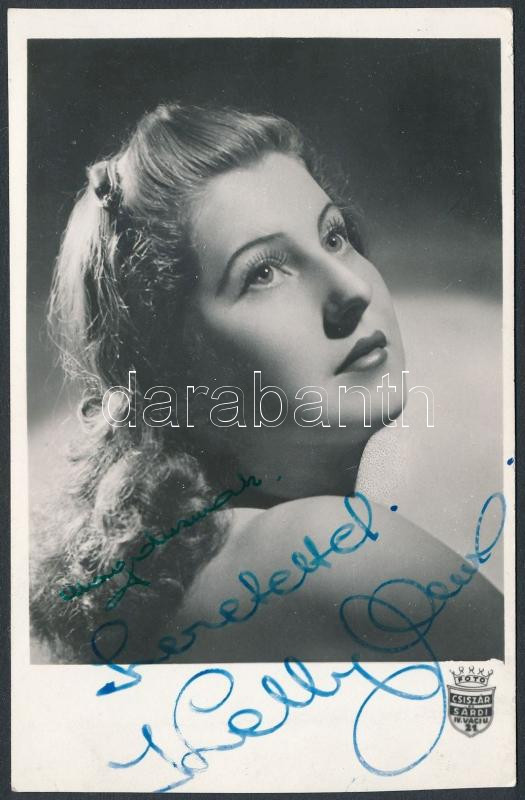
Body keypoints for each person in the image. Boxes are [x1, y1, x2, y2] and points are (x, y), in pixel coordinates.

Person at [30, 102, 503, 665]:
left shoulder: (193, 576)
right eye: (262, 272)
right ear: (171, 374)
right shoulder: (328, 551)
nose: (351, 289)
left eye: (334, 236)